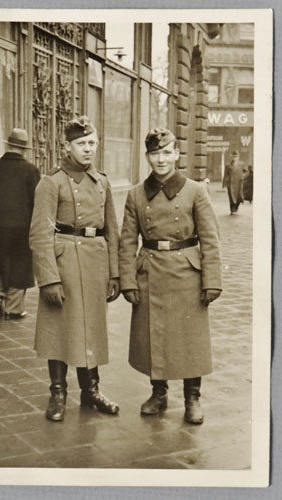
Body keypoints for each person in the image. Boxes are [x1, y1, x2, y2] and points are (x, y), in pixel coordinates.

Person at [119, 128, 222, 424]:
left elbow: (210, 238)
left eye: (167, 152)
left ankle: (192, 398)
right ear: (148, 157)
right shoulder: (136, 194)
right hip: (150, 271)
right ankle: (158, 393)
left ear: (176, 154)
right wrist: (127, 280)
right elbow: (127, 241)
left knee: (190, 338)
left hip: (187, 271)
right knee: (154, 334)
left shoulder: (194, 191)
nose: (161, 159)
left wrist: (212, 280)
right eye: (155, 153)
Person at [29, 116, 120, 422]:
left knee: (91, 328)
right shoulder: (51, 182)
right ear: (66, 147)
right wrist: (48, 279)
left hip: (95, 263)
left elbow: (112, 232)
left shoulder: (102, 182)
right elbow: (40, 233)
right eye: (81, 144)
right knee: (59, 330)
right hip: (63, 264)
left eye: (92, 143)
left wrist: (115, 274)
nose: (87, 149)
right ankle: (57, 393)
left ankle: (91, 390)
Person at [0, 128, 40, 319]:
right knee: (19, 265)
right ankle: (14, 308)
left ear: (8, 145)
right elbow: (35, 203)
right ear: (24, 149)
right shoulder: (31, 171)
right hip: (21, 228)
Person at [222, 150, 246, 215]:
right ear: (231, 157)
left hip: (239, 183)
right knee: (231, 197)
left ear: (238, 157)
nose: (234, 158)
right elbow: (225, 174)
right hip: (231, 183)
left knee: (239, 196)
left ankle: (236, 207)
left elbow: (246, 171)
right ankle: (232, 209)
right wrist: (224, 184)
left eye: (236, 156)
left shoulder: (242, 164)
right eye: (233, 156)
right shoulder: (228, 165)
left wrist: (242, 177)